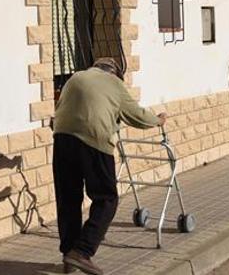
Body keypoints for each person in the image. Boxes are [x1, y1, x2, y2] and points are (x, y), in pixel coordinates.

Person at [52, 57, 166, 275]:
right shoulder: (114, 83)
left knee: (68, 199)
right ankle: (82, 251)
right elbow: (137, 115)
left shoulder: (76, 77)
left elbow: (59, 109)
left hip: (62, 138)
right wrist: (158, 120)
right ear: (114, 73)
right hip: (94, 140)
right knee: (106, 198)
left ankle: (69, 256)